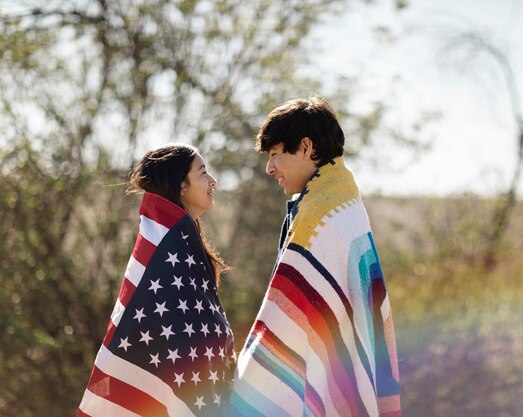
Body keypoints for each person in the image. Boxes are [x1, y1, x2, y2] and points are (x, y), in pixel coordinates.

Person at [227, 97, 401, 417]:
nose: (270, 168)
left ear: (306, 147)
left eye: (276, 154)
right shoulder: (343, 203)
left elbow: (285, 319)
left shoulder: (319, 218)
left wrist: (246, 383)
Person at [77, 144, 236, 417]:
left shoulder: (182, 243)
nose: (213, 181)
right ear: (182, 186)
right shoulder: (168, 250)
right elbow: (181, 344)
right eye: (203, 173)